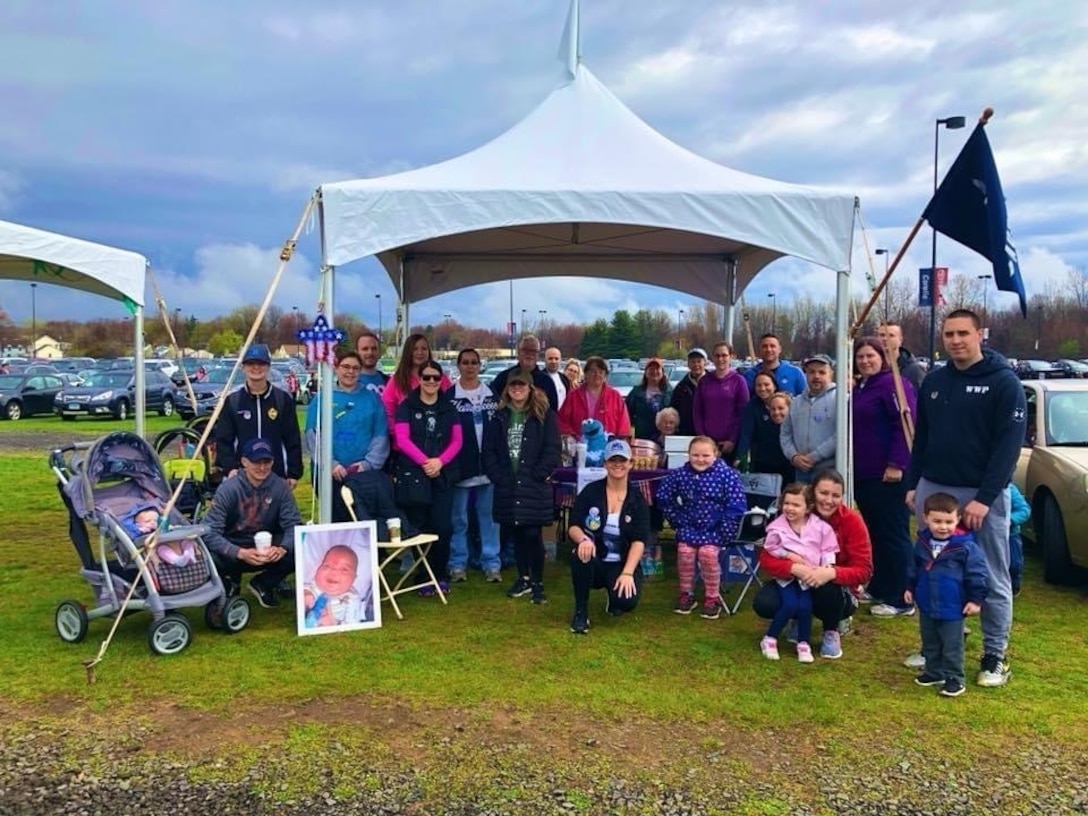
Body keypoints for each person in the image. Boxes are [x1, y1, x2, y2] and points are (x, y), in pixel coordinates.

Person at [905, 308, 1025, 688]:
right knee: (933, 567)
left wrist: (986, 498)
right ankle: (938, 645)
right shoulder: (935, 381)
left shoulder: (1004, 383)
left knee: (990, 573)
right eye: (949, 334)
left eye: (962, 333)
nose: (955, 340)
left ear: (979, 334)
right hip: (934, 489)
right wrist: (913, 484)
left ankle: (995, 654)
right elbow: (921, 438)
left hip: (979, 495)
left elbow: (1008, 448)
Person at [755, 469, 874, 659]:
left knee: (828, 590)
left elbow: (864, 570)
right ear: (812, 493)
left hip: (831, 586)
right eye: (823, 493)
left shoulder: (851, 521)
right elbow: (766, 556)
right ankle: (797, 620)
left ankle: (831, 630)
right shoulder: (793, 513)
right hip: (795, 579)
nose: (829, 500)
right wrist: (793, 568)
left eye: (836, 495)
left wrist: (831, 573)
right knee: (764, 603)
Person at [482, 369, 561, 604]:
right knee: (516, 533)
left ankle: (537, 581)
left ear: (530, 388)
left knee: (532, 533)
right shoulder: (499, 416)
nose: (517, 389)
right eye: (513, 386)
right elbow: (489, 452)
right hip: (508, 483)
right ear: (507, 389)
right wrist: (499, 477)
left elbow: (553, 449)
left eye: (522, 385)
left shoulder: (544, 415)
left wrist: (539, 474)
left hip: (533, 484)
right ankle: (523, 577)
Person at [851, 337, 917, 618]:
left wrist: (897, 463)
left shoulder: (895, 385)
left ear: (883, 358)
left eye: (870, 356)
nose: (865, 361)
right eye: (861, 357)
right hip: (864, 473)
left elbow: (904, 423)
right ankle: (879, 585)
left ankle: (901, 596)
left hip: (888, 474)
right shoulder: (863, 387)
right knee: (875, 532)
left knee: (893, 533)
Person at [904, 492, 988, 698]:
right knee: (930, 641)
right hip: (927, 603)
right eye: (937, 521)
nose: (943, 527)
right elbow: (913, 568)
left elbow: (977, 574)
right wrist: (910, 588)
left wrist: (976, 599)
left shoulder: (966, 547)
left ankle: (955, 678)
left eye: (949, 521)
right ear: (925, 519)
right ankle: (934, 672)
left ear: (958, 519)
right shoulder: (922, 543)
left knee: (952, 645)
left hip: (953, 606)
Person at [202, 437, 302, 608]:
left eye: (267, 461)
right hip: (234, 548)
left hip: (267, 547)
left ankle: (264, 583)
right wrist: (239, 552)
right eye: (256, 462)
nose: (262, 467)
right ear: (244, 462)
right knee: (207, 554)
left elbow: (293, 524)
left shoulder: (281, 487)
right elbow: (209, 532)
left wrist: (282, 548)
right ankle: (229, 583)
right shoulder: (228, 489)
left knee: (301, 546)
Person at [656, 436, 747, 620]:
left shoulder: (727, 475)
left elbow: (737, 505)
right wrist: (676, 518)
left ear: (715, 454)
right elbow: (663, 496)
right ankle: (686, 594)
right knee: (684, 552)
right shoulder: (681, 474)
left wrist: (726, 530)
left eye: (706, 455)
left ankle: (712, 598)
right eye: (695, 455)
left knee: (707, 554)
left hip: (717, 528)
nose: (700, 459)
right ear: (688, 455)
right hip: (689, 525)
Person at [566, 439, 649, 635]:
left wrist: (628, 573)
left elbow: (639, 540)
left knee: (626, 602)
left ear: (630, 464)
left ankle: (614, 599)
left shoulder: (637, 499)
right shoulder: (591, 491)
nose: (617, 464)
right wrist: (583, 540)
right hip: (594, 559)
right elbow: (574, 526)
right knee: (580, 553)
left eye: (622, 460)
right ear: (605, 463)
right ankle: (580, 612)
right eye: (613, 460)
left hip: (620, 563)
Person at [393, 359, 462, 594]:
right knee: (419, 527)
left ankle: (440, 575)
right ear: (420, 379)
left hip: (442, 475)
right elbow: (402, 440)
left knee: (442, 527)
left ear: (441, 380)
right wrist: (425, 462)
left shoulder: (449, 407)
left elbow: (457, 441)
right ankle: (424, 577)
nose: (431, 381)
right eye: (426, 377)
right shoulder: (406, 406)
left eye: (435, 377)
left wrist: (439, 462)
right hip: (415, 475)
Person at [304, 351, 390, 523]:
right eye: (346, 367)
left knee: (362, 520)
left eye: (355, 368)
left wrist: (368, 464)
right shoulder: (323, 398)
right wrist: (330, 464)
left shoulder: (372, 399)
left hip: (361, 475)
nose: (350, 372)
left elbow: (380, 434)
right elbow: (313, 436)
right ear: (336, 368)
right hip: (329, 474)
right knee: (336, 522)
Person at [759, 482, 839, 663]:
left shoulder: (821, 528)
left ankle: (803, 643)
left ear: (808, 507)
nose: (790, 508)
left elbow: (828, 550)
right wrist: (788, 555)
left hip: (809, 575)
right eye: (786, 503)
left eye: (796, 505)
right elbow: (771, 547)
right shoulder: (776, 527)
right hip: (786, 577)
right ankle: (770, 638)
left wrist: (826, 567)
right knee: (789, 604)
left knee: (805, 607)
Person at [447, 348, 503, 584]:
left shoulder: (493, 395)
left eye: (474, 362)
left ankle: (491, 563)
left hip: (488, 468)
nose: (470, 367)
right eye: (465, 363)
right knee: (459, 519)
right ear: (459, 366)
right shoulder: (449, 396)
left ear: (480, 366)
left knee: (489, 518)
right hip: (462, 467)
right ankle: (458, 563)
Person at [214, 343, 303, 487]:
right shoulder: (233, 401)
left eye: (261, 363)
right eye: (251, 363)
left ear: (268, 367)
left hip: (276, 476)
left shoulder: (282, 400)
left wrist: (293, 473)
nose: (256, 368)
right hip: (241, 478)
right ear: (243, 367)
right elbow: (224, 440)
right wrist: (230, 468)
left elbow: (292, 439)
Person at [382, 333, 452, 443]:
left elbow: (450, 409)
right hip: (406, 447)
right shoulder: (397, 380)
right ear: (408, 352)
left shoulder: (442, 379)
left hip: (438, 446)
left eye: (424, 348)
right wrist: (398, 435)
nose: (420, 352)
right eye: (415, 349)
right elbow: (388, 411)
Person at [780, 353, 837, 483]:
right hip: (800, 471)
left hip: (828, 472)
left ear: (831, 374)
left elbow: (841, 436)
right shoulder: (796, 402)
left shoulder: (841, 400)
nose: (816, 376)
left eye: (822, 372)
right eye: (812, 372)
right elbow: (785, 434)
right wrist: (793, 456)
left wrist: (815, 457)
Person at [735, 372, 793, 484]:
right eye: (758, 385)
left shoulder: (787, 402)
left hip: (787, 459)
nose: (762, 388)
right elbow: (746, 433)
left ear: (774, 386)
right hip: (763, 459)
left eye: (766, 384)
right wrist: (740, 456)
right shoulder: (751, 406)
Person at [693, 343, 749, 458]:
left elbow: (743, 413)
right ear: (712, 358)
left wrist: (732, 440)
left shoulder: (739, 381)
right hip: (707, 444)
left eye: (724, 355)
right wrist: (703, 438)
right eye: (717, 356)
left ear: (731, 357)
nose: (720, 359)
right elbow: (697, 412)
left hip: (730, 445)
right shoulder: (704, 381)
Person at [557, 356, 632, 441]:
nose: (597, 375)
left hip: (608, 446)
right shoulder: (573, 396)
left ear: (605, 375)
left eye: (601, 372)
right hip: (580, 446)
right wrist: (571, 437)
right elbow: (562, 421)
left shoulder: (615, 396)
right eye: (593, 371)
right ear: (585, 373)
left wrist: (620, 441)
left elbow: (624, 424)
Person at [491, 335, 564, 413]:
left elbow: (553, 412)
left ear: (538, 354)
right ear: (518, 352)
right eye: (525, 350)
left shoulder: (546, 381)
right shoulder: (504, 377)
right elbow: (492, 403)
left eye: (533, 351)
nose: (529, 354)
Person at [303, 545, 369, 628]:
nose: (333, 571)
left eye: (344, 569)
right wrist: (306, 594)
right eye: (327, 566)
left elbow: (353, 624)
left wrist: (334, 624)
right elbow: (306, 588)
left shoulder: (352, 599)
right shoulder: (314, 586)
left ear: (354, 578)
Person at [625, 358, 672, 440]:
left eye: (657, 369)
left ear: (662, 372)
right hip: (642, 437)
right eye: (651, 369)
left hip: (665, 437)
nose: (654, 371)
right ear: (646, 373)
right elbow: (626, 413)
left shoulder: (670, 391)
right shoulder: (636, 392)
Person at [877, 321, 926, 392]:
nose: (885, 339)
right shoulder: (872, 368)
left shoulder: (914, 371)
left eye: (890, 335)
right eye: (882, 335)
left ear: (900, 340)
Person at [670, 348, 707, 436]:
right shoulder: (680, 387)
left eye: (699, 361)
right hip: (686, 434)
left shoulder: (713, 384)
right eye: (693, 362)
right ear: (688, 364)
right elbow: (673, 411)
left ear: (705, 363)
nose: (696, 364)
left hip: (709, 434)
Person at [1008, 482, 1030, 597]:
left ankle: (1014, 586)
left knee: (1014, 564)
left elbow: (1024, 510)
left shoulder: (1010, 489)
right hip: (989, 534)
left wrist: (1010, 520)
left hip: (1011, 535)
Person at [355, 331, 390, 396]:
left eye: (374, 349)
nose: (370, 353)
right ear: (357, 352)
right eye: (365, 349)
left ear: (378, 351)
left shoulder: (389, 382)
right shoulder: (350, 382)